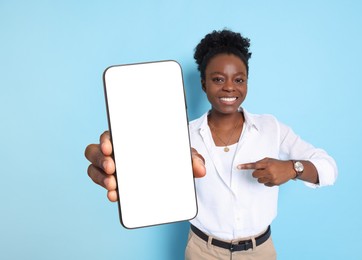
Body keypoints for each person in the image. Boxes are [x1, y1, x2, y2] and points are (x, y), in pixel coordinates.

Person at [85, 29, 338, 260]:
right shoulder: (181, 136)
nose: (229, 87)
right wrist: (126, 166)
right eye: (218, 79)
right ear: (204, 84)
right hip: (202, 251)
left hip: (259, 252)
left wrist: (292, 168)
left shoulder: (271, 128)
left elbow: (328, 168)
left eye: (239, 80)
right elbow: (151, 180)